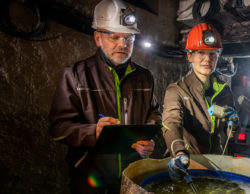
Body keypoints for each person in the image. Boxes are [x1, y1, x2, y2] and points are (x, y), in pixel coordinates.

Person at [49, 0, 161, 193]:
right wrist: (93, 132)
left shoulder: (145, 77)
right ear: (98, 38)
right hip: (90, 177)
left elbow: (155, 113)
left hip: (132, 175)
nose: (123, 44)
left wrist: (147, 137)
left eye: (129, 38)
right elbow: (58, 129)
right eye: (115, 37)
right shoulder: (75, 75)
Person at [161, 23, 239, 178]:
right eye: (201, 53)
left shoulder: (224, 90)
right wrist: (179, 153)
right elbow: (171, 123)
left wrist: (234, 125)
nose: (207, 59)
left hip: (217, 167)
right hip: (189, 166)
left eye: (212, 54)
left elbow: (228, 134)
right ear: (190, 56)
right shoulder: (176, 90)